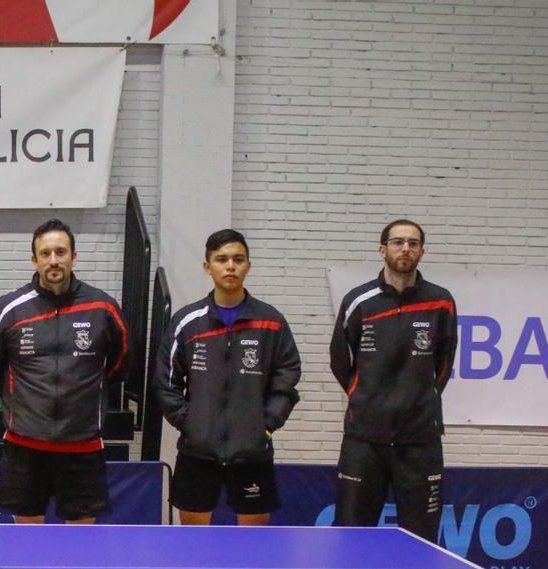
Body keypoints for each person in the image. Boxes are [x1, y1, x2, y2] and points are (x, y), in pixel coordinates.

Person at [0, 218, 129, 524]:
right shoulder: (10, 308)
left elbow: (122, 362)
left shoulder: (103, 308)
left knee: (80, 540)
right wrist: (18, 397)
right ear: (34, 260)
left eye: (61, 252)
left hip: (83, 443)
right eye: (46, 253)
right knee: (28, 539)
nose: (54, 260)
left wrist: (86, 392)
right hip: (25, 445)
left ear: (74, 256)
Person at [154, 229, 301, 526]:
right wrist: (193, 423)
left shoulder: (271, 321)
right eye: (221, 259)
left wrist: (266, 425)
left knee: (253, 544)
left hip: (252, 453)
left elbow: (287, 376)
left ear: (248, 265)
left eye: (238, 259)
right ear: (208, 267)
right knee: (194, 543)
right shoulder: (187, 322)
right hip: (198, 452)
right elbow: (165, 383)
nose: (230, 266)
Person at [330, 219, 458, 542]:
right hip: (364, 441)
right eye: (398, 242)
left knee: (422, 540)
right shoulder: (358, 301)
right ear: (382, 248)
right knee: (350, 537)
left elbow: (444, 364)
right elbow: (339, 360)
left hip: (420, 442)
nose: (406, 248)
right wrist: (367, 398)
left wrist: (419, 398)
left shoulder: (441, 302)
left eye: (413, 243)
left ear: (422, 252)